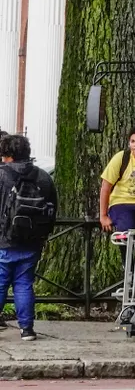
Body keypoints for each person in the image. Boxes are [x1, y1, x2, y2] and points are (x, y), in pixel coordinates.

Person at [0, 134, 57, 341]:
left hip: (4, 239)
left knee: (0, 283)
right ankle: (27, 329)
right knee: (24, 284)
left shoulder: (2, 175)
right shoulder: (42, 176)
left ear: (6, 154)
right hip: (32, 240)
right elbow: (52, 207)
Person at [99, 127, 135, 234]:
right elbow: (105, 187)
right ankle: (126, 250)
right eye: (133, 141)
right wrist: (103, 216)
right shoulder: (121, 158)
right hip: (121, 202)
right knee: (126, 231)